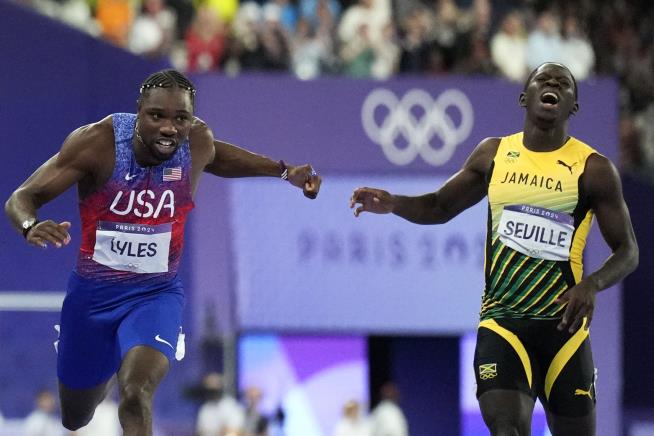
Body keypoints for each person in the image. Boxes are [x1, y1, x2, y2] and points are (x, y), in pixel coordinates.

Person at [4, 69, 321, 436]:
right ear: (138, 111)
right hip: (92, 299)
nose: (169, 128)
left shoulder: (197, 141)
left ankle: (124, 358)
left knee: (137, 393)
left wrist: (284, 172)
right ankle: (105, 359)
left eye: (181, 119)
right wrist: (29, 225)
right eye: (157, 116)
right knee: (76, 417)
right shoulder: (98, 143)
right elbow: (21, 197)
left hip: (155, 295)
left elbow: (217, 156)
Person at [350, 62, 638, 435]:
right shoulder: (494, 154)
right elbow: (439, 206)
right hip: (503, 324)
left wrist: (592, 284)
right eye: (542, 80)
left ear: (573, 107)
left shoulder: (593, 169)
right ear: (524, 97)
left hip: (563, 330)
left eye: (563, 84)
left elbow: (628, 250)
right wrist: (393, 203)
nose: (552, 84)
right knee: (506, 427)